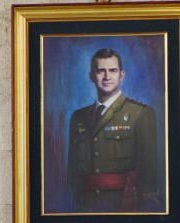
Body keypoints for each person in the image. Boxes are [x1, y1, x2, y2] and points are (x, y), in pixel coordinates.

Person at [67, 47, 159, 212]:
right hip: (84, 209)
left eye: (113, 71)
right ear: (91, 76)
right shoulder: (78, 118)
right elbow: (73, 175)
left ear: (121, 75)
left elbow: (150, 177)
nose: (107, 77)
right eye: (101, 71)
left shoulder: (140, 114)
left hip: (124, 207)